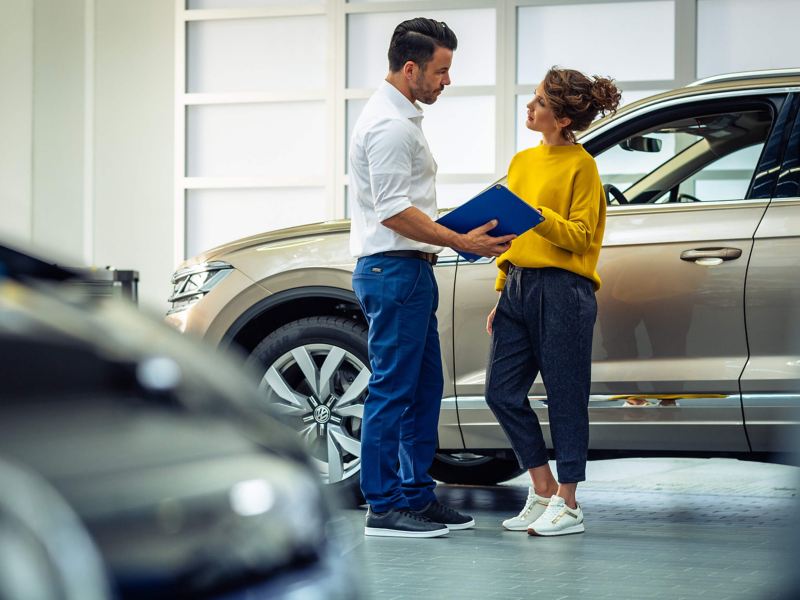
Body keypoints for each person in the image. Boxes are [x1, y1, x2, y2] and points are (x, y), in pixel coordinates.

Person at [349, 17, 515, 538]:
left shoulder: (403, 118)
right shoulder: (390, 126)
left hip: (410, 270)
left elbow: (404, 208)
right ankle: (383, 505)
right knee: (393, 389)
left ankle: (416, 496)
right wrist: (463, 241)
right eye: (442, 71)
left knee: (424, 389)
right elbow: (394, 212)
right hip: (393, 270)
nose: (447, 81)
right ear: (411, 67)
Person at [485, 67, 621, 537]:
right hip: (518, 287)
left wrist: (539, 217)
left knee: (565, 397)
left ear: (562, 118)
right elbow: (509, 233)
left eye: (540, 101)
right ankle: (541, 486)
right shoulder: (522, 162)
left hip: (565, 290)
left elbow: (581, 238)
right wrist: (502, 288)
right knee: (500, 391)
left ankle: (570, 501)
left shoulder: (583, 167)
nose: (530, 106)